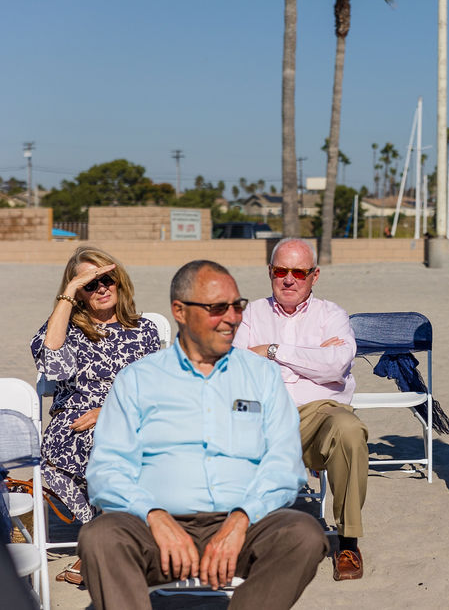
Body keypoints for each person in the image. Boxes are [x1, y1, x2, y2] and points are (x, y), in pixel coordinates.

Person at [77, 260, 328, 610]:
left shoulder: (261, 376)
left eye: (237, 306)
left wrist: (242, 519)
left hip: (244, 528)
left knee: (303, 534)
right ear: (179, 311)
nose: (232, 318)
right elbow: (106, 470)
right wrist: (153, 515)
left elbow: (284, 463)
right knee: (100, 537)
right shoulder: (138, 379)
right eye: (216, 308)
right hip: (153, 531)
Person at [233, 237, 369, 581]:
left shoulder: (332, 315)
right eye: (281, 270)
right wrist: (311, 355)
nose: (289, 279)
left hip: (319, 412)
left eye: (298, 271)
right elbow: (235, 366)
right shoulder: (250, 314)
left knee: (349, 430)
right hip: (264, 412)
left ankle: (348, 541)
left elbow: (336, 366)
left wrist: (274, 351)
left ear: (315, 275)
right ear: (270, 272)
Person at [29, 246, 161, 585]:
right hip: (75, 427)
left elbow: (157, 388)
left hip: (131, 417)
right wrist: (69, 294)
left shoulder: (144, 329)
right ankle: (112, 549)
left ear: (120, 282)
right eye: (89, 284)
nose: (101, 288)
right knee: (102, 442)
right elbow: (52, 365)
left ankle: (99, 551)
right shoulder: (67, 327)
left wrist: (110, 410)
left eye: (107, 279)